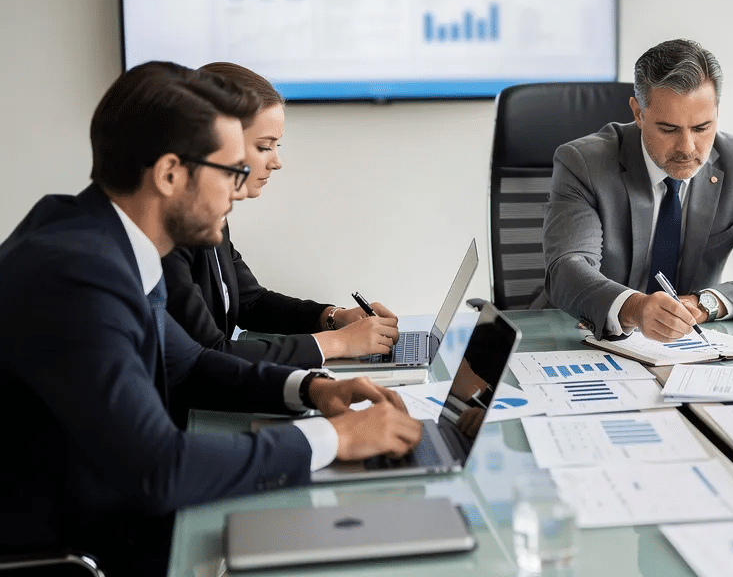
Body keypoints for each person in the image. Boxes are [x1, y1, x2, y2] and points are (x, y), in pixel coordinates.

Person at [0, 62, 423, 574]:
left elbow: (190, 365)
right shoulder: (77, 277)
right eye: (232, 170)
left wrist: (313, 391)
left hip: (122, 509)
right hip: (85, 545)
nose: (241, 189)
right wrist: (337, 438)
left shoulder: (112, 241)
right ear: (170, 174)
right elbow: (159, 469)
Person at [543, 38, 733, 342]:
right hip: (581, 338)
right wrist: (635, 307)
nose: (687, 148)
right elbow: (567, 268)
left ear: (717, 113)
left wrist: (705, 303)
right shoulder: (583, 163)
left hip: (691, 347)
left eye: (702, 127)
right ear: (639, 114)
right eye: (668, 129)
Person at [162, 62, 399, 368]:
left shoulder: (213, 217)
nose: (277, 162)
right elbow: (209, 351)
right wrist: (338, 343)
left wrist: (335, 318)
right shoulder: (168, 235)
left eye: (277, 145)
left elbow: (251, 302)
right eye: (264, 147)